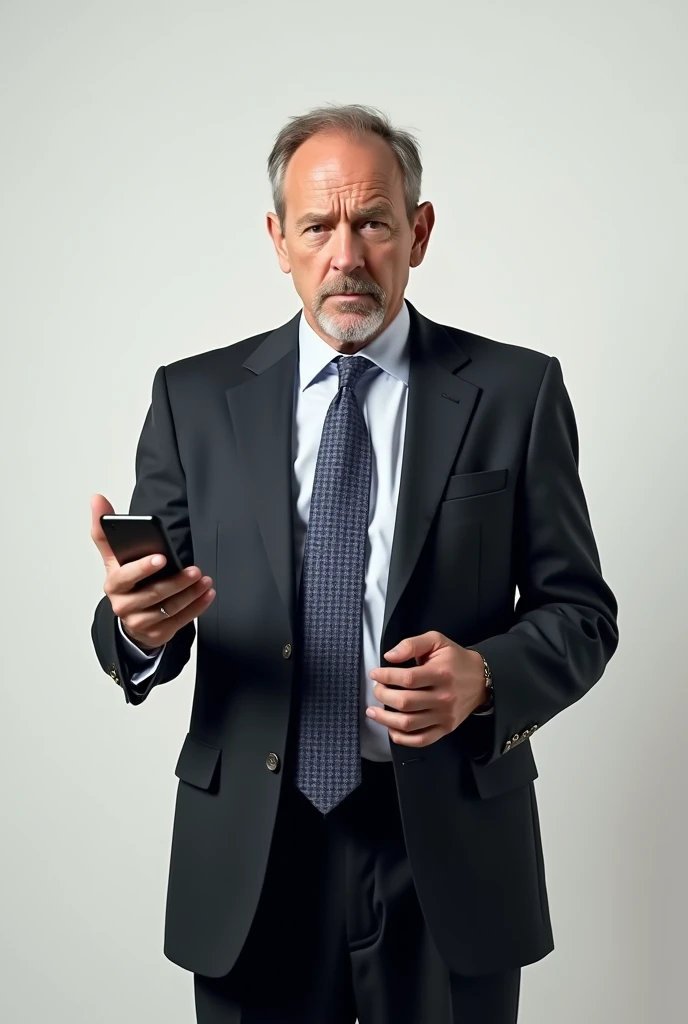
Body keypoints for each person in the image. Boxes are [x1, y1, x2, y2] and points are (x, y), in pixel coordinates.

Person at [90, 103, 619, 1024]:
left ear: (418, 231)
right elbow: (142, 614)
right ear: (277, 239)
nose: (347, 253)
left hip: (446, 853)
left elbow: (581, 612)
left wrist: (487, 675)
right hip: (254, 855)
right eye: (317, 226)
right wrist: (137, 628)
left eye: (373, 222)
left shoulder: (516, 393)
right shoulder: (193, 399)